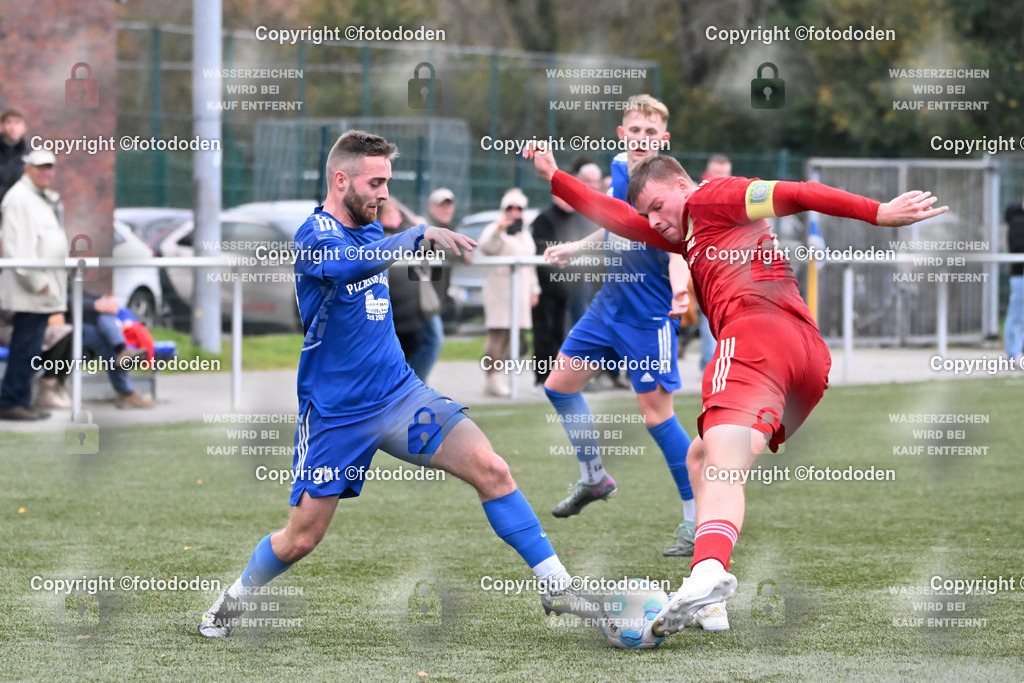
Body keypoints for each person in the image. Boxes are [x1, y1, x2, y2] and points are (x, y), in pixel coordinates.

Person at [527, 146, 946, 641]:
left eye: (658, 206)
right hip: (803, 360)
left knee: (718, 463)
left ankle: (707, 574)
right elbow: (616, 215)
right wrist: (556, 177)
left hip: (755, 338)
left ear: (682, 186)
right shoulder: (686, 234)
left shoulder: (713, 198)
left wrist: (877, 213)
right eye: (648, 213)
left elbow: (798, 193)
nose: (653, 220)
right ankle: (710, 602)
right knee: (704, 457)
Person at [198, 130, 601, 639]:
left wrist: (416, 236)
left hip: (401, 397)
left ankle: (556, 585)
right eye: (375, 182)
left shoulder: (371, 231)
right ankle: (233, 600)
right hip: (337, 414)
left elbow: (377, 256)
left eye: (388, 181)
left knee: (492, 469)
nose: (384, 193)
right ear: (340, 179)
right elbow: (345, 269)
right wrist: (416, 235)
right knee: (300, 539)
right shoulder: (314, 235)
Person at [536, 96, 701, 583]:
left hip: (648, 317)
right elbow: (615, 226)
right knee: (558, 387)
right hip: (609, 306)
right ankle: (594, 478)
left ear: (663, 139)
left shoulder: (675, 184)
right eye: (635, 129)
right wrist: (576, 245)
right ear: (621, 133)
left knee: (656, 416)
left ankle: (696, 518)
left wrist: (679, 290)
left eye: (652, 131)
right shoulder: (616, 170)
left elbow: (676, 249)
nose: (642, 138)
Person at [0, 150, 66, 420]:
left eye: (50, 168)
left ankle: (21, 400)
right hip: (32, 290)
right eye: (41, 167)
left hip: (40, 291)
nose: (47, 172)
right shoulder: (19, 199)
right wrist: (41, 283)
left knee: (30, 347)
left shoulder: (38, 198)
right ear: (28, 169)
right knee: (25, 347)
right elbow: (18, 250)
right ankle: (12, 401)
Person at [479, 187, 540, 397]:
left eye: (518, 208)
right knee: (498, 336)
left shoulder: (525, 233)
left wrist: (535, 289)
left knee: (514, 338)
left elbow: (530, 265)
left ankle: (499, 376)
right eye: (510, 207)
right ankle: (492, 378)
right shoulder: (494, 228)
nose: (514, 211)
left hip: (520, 293)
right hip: (499, 292)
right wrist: (499, 229)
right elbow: (486, 247)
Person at [406, 188, 456, 382]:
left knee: (417, 342)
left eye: (448, 204)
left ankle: (411, 386)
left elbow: (464, 254)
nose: (445, 209)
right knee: (433, 339)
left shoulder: (449, 229)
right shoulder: (422, 226)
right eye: (440, 205)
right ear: (431, 206)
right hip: (417, 298)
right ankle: (417, 385)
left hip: (433, 299)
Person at [74, 292, 152, 409]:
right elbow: (64, 301)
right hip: (66, 324)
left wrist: (104, 300)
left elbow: (82, 293)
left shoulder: (68, 278)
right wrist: (95, 305)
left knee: (106, 321)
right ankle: (126, 392)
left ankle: (122, 351)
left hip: (85, 322)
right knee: (106, 339)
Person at [695, 155, 732, 373]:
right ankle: (712, 362)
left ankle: (714, 360)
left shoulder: (730, 194)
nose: (721, 179)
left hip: (727, 265)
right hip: (707, 265)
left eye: (724, 174)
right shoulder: (701, 196)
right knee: (709, 314)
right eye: (717, 174)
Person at [1003, 199, 1024, 360]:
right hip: (1020, 275)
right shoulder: (1018, 222)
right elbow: (1017, 246)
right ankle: (1013, 353)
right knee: (1016, 316)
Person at [0, 109, 27, 200]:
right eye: (9, 123)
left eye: (17, 123)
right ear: (1, 126)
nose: (13, 127)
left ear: (24, 128)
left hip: (22, 206)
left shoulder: (31, 155)